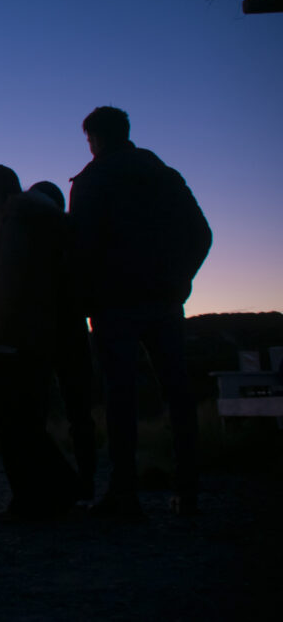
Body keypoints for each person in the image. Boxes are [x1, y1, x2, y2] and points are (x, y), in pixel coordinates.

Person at [69, 106, 211, 518]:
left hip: (114, 304)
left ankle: (124, 493)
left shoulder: (93, 180)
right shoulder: (164, 176)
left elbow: (81, 249)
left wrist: (84, 300)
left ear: (95, 138)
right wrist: (179, 280)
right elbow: (201, 234)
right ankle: (188, 489)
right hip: (164, 301)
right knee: (178, 392)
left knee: (121, 396)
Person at [0, 165, 80, 520]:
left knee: (13, 423)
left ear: (2, 194)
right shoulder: (43, 222)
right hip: (41, 336)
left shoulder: (17, 222)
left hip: (15, 339)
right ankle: (54, 493)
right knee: (29, 421)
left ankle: (33, 499)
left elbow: (7, 289)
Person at [28, 180, 97, 502]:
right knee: (79, 412)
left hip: (40, 331)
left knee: (38, 411)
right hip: (72, 329)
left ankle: (51, 484)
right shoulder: (74, 233)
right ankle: (85, 482)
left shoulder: (28, 238)